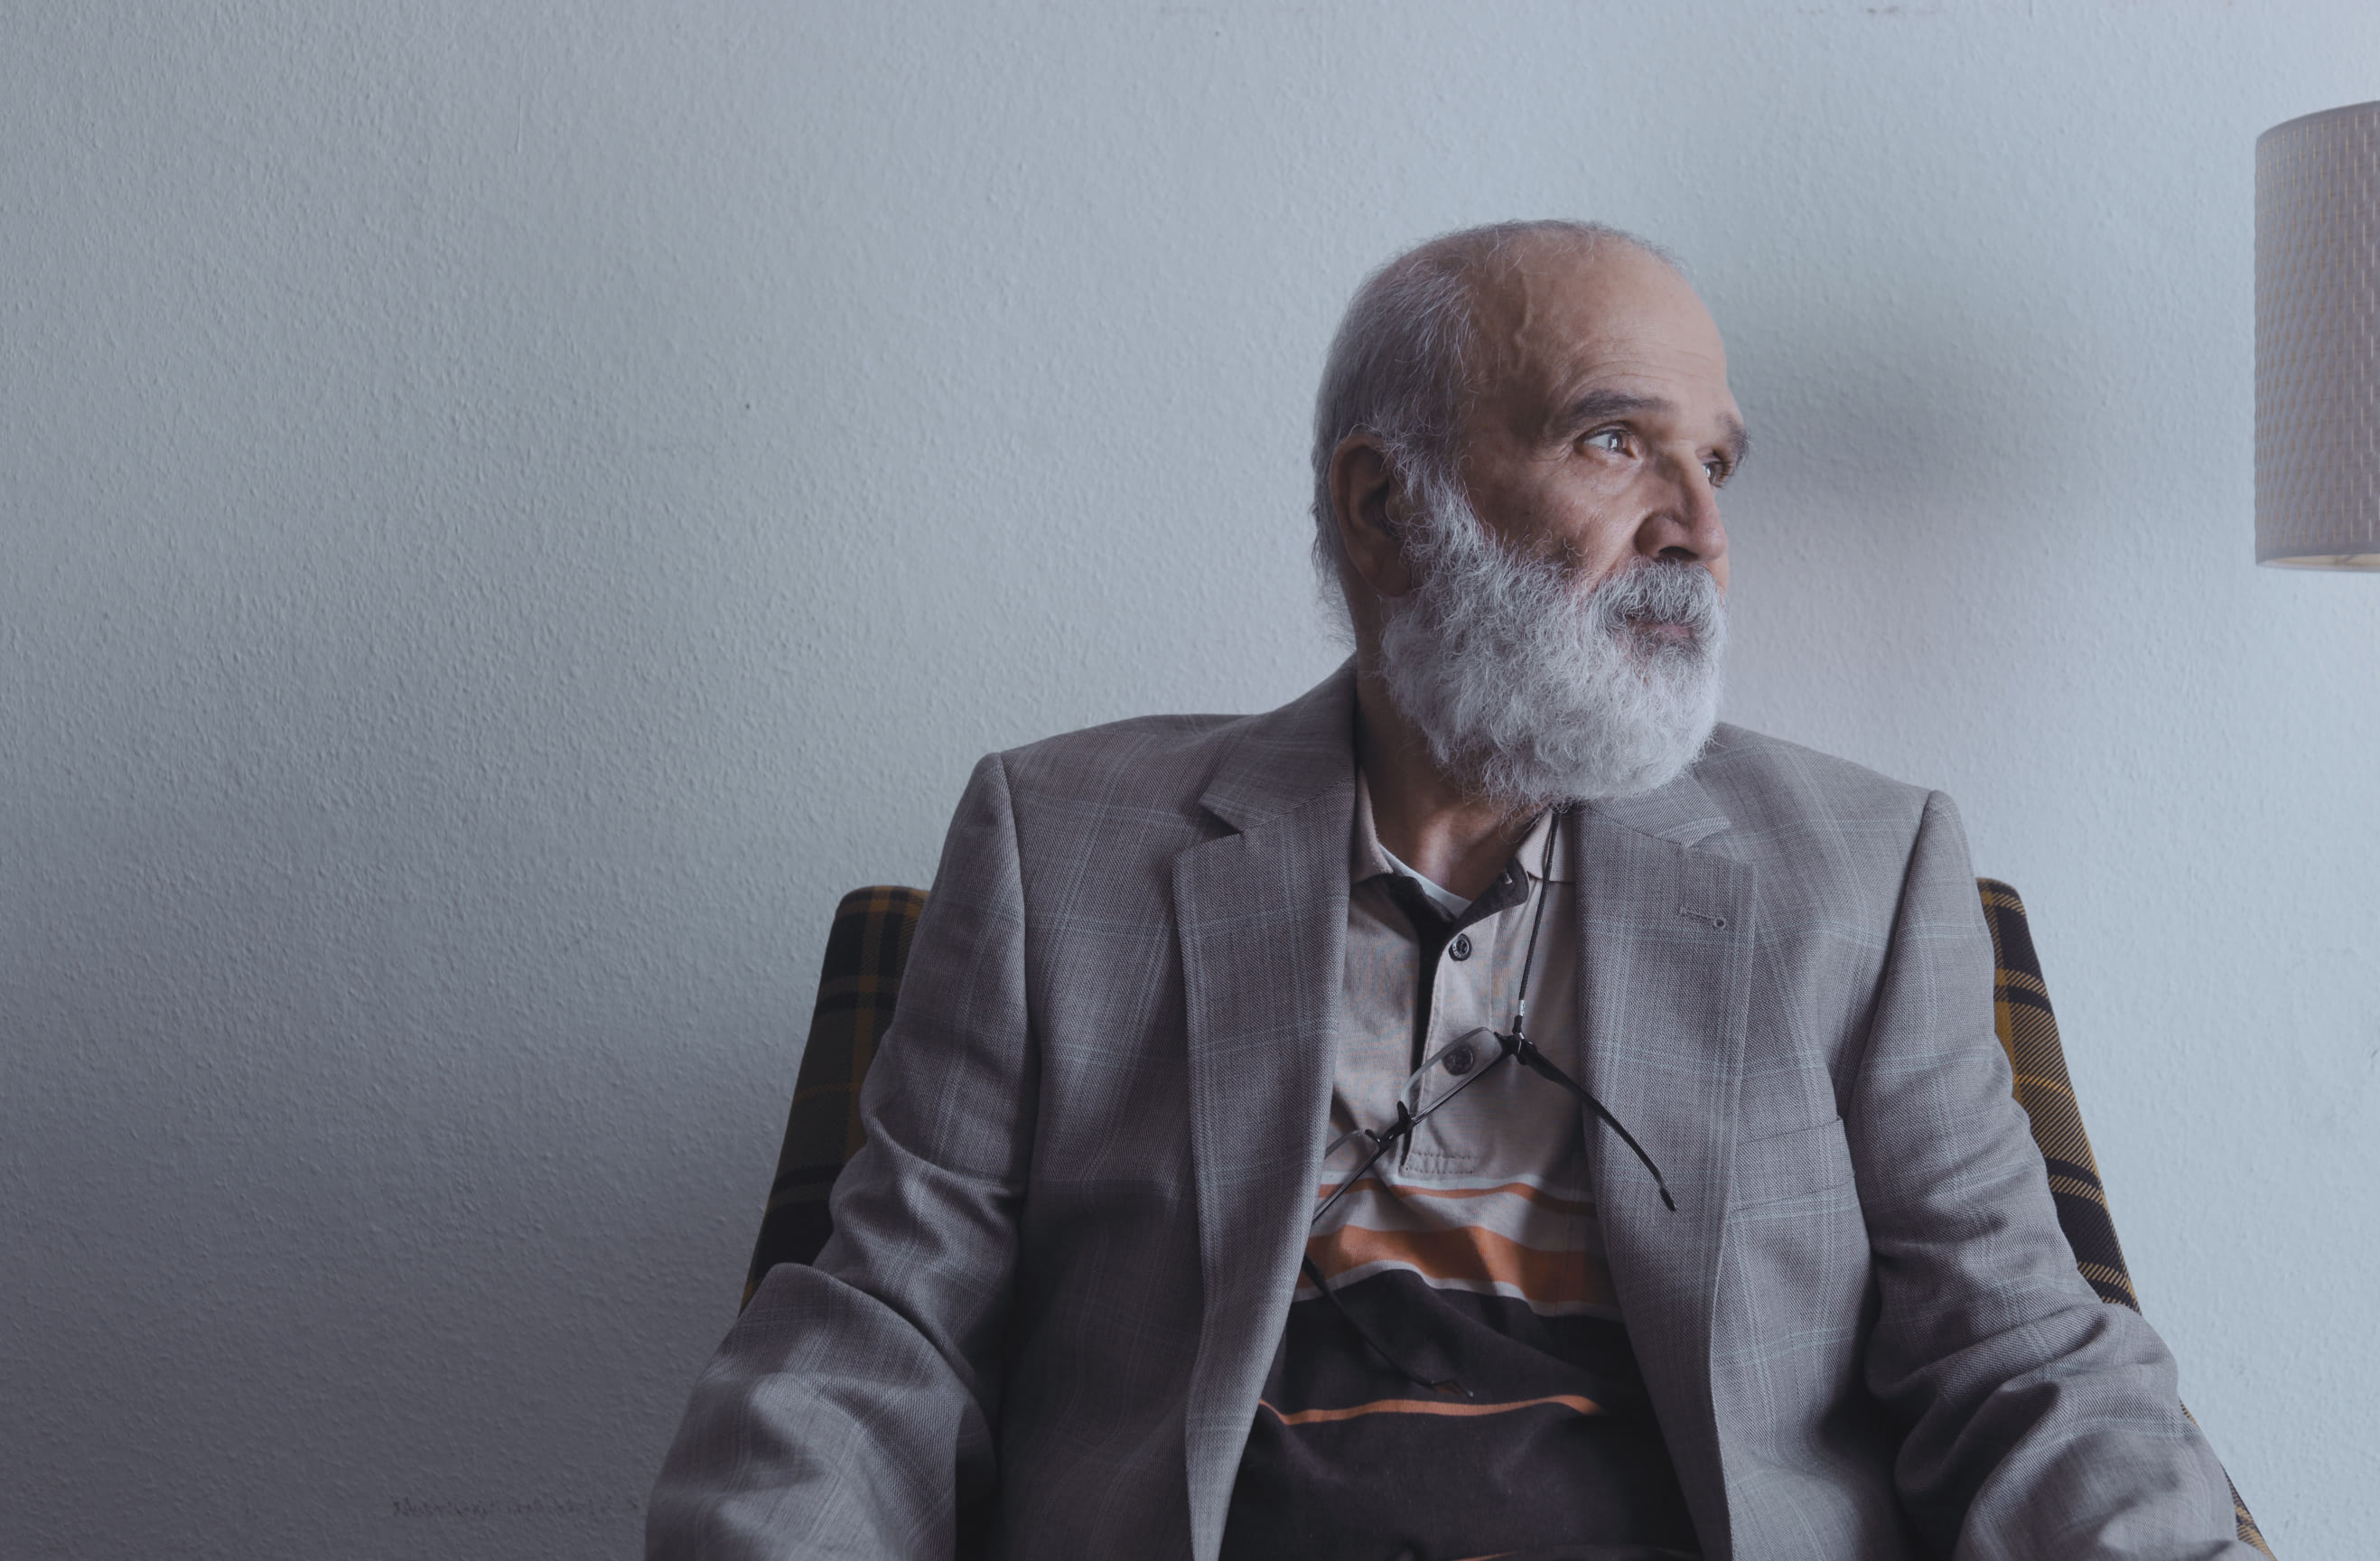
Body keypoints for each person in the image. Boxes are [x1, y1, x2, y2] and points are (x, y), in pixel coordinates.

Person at [648, 220, 2251, 1560]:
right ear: (1384, 500)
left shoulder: (1860, 871)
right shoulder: (1062, 846)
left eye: (1717, 464)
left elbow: (2022, 1360)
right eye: (1616, 441)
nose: (1698, 528)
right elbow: (880, 1347)